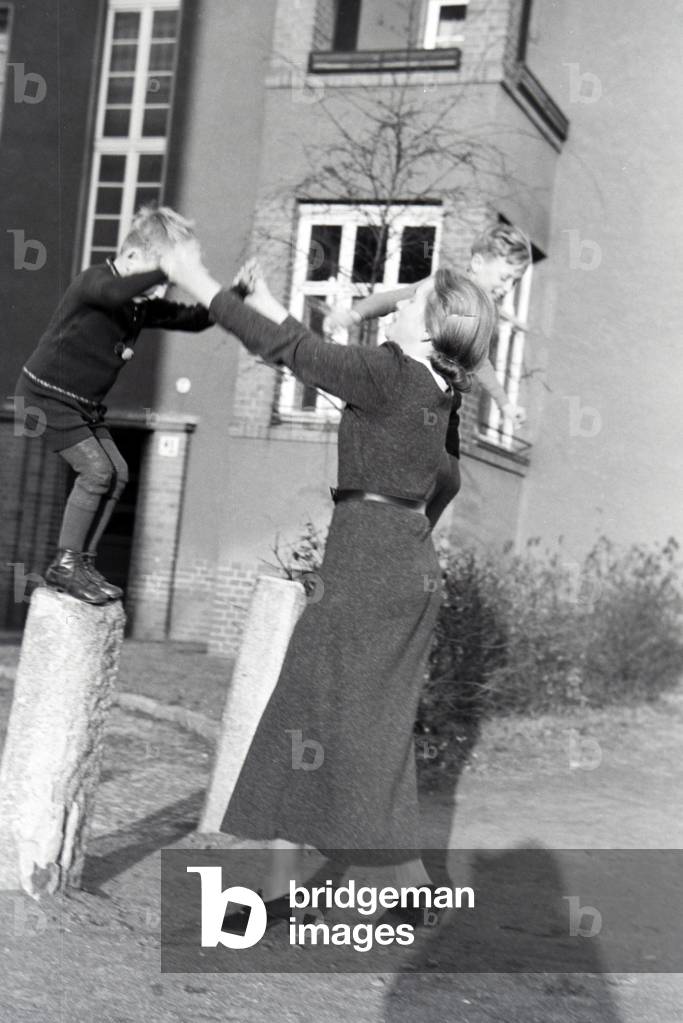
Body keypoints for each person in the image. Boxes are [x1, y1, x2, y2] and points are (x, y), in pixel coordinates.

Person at [160, 245, 497, 916]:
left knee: (340, 720)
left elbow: (292, 352)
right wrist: (410, 527)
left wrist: (198, 278)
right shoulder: (436, 387)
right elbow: (448, 477)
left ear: (426, 329)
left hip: (366, 564)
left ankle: (405, 886)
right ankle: (290, 886)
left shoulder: (389, 374)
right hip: (396, 560)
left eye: (408, 304)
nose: (396, 305)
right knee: (322, 711)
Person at [13, 207, 213, 604]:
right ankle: (65, 565)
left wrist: (234, 298)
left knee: (118, 473)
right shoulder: (97, 282)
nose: (158, 292)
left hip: (81, 405)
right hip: (43, 397)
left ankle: (82, 563)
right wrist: (169, 270)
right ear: (133, 258)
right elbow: (113, 293)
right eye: (154, 277)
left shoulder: (137, 303)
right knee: (96, 469)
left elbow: (193, 319)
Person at [325, 221, 532, 428]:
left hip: (441, 402)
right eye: (505, 277)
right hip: (409, 383)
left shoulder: (486, 311)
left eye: (514, 282)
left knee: (444, 452)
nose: (508, 288)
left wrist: (505, 404)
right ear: (478, 263)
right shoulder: (443, 287)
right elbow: (390, 299)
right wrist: (353, 315)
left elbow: (480, 362)